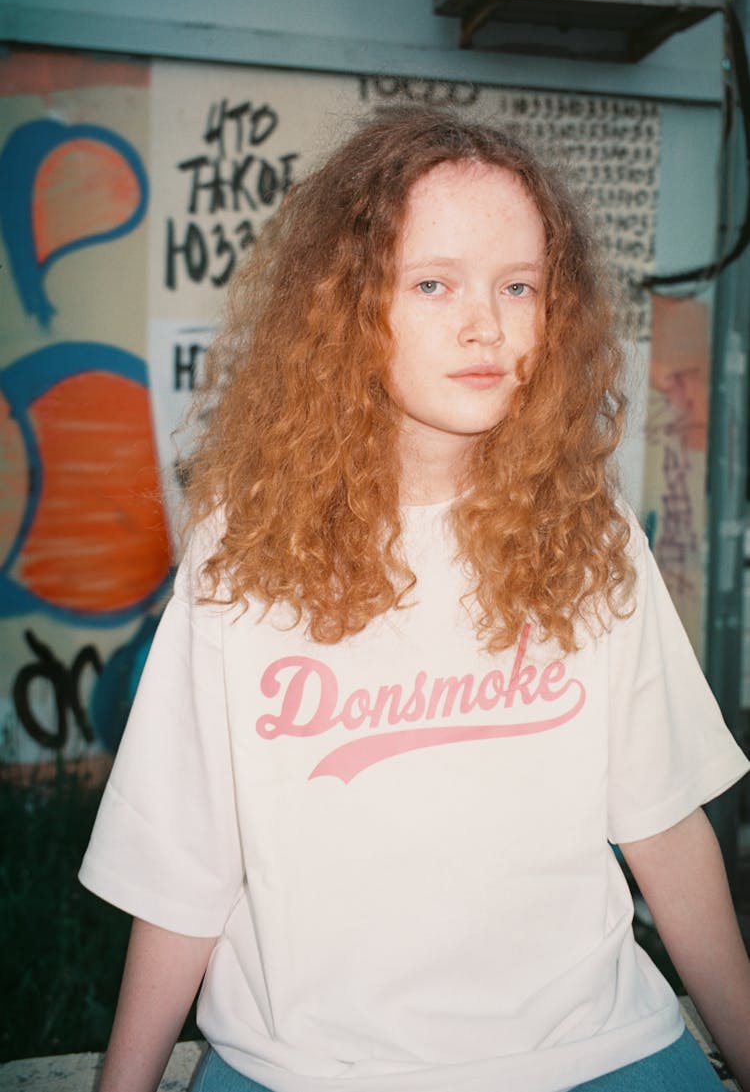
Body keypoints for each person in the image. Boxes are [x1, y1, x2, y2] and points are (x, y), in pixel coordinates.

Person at [80, 106, 750, 1092]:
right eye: (433, 282)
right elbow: (187, 865)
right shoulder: (245, 553)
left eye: (518, 285)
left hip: (596, 1049)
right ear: (348, 305)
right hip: (306, 1066)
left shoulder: (591, 532)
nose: (486, 323)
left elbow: (663, 826)